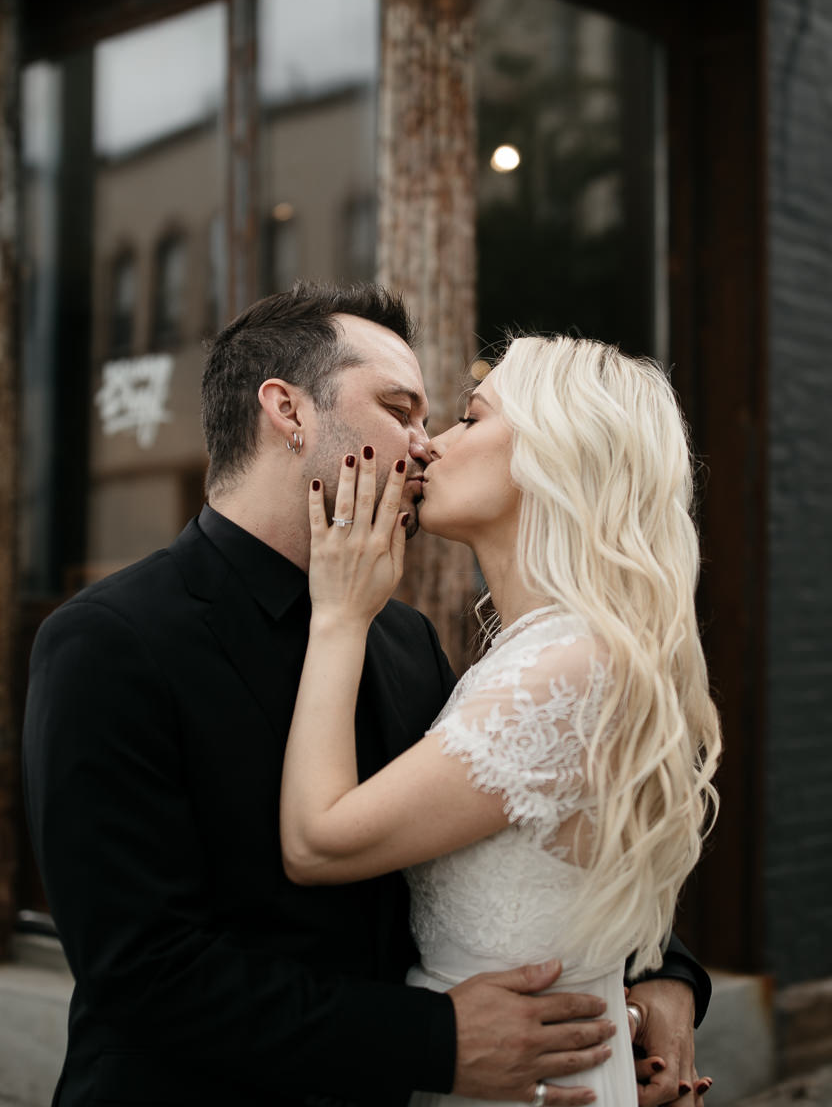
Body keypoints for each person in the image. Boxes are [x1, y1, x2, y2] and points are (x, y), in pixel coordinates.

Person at [23, 285, 711, 1107]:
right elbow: (140, 970)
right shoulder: (108, 640)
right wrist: (435, 1042)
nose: (425, 445)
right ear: (289, 412)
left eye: (444, 419)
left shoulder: (404, 638)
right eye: (399, 410)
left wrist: (661, 971)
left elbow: (525, 821)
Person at [277, 334, 722, 1107]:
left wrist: (340, 616)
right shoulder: (541, 654)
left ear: (555, 454)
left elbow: (317, 842)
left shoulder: (569, 668)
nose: (432, 445)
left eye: (471, 418)